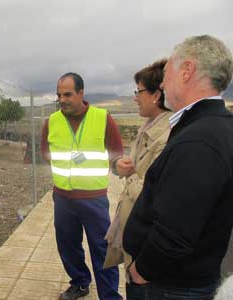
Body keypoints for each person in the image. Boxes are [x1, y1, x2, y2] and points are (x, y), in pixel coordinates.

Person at [123, 35, 233, 300]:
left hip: (170, 287)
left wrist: (141, 272)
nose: (162, 83)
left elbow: (176, 232)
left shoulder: (200, 139)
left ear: (187, 71)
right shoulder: (213, 126)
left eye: (167, 73)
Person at [41, 72, 123, 300]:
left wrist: (117, 165)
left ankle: (109, 295)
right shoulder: (52, 121)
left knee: (101, 248)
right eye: (59, 95)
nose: (62, 99)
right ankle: (79, 283)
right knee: (67, 244)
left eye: (67, 94)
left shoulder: (102, 117)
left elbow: (116, 152)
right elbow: (45, 153)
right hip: (63, 198)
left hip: (93, 198)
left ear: (80, 93)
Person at [103, 59, 172, 298]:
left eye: (139, 91)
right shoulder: (148, 127)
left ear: (156, 95)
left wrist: (131, 178)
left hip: (146, 240)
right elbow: (133, 165)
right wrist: (120, 166)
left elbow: (153, 190)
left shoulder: (168, 135)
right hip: (134, 232)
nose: (135, 97)